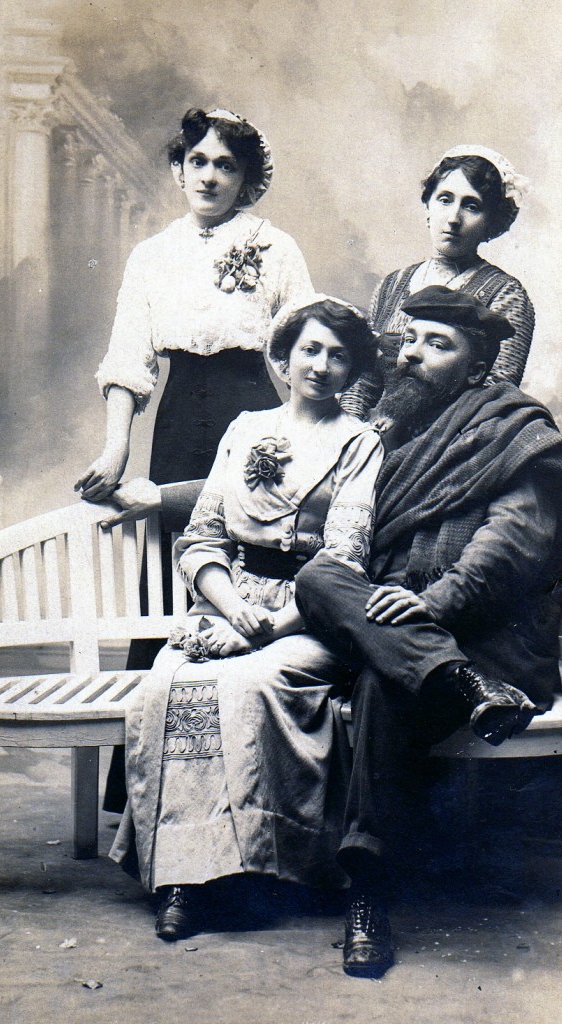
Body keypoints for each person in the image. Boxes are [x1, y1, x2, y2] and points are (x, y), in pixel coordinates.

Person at [294, 286, 562, 978]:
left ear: (479, 365)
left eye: (438, 343)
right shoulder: (389, 436)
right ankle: (457, 683)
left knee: (381, 675)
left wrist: (433, 603)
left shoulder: (512, 427)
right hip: (416, 640)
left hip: (487, 641)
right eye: (409, 340)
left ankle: (367, 894)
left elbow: (512, 544)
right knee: (317, 578)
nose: (413, 355)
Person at [107, 297, 383, 942]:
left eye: (338, 356)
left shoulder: (359, 440)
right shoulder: (244, 427)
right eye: (310, 350)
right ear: (283, 358)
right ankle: (180, 878)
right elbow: (201, 538)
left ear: (354, 371)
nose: (320, 365)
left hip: (307, 615)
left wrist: (267, 625)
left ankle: (254, 870)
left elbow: (344, 557)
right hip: (228, 601)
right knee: (164, 688)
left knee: (243, 686)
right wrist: (228, 606)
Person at [75, 106, 314, 810]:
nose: (210, 176)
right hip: (177, 420)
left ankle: (250, 778)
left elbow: (305, 344)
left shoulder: (277, 247)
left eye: (226, 165)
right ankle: (148, 786)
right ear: (178, 168)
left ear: (246, 179)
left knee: (250, 573)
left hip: (254, 413)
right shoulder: (151, 254)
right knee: (169, 580)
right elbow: (129, 355)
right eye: (198, 162)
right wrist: (118, 446)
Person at [341, 145, 535, 422]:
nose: (454, 218)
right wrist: (351, 436)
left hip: (452, 442)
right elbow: (364, 380)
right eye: (445, 199)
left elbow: (495, 394)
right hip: (376, 433)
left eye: (471, 206)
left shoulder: (506, 293)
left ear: (490, 221)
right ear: (428, 207)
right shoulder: (392, 285)